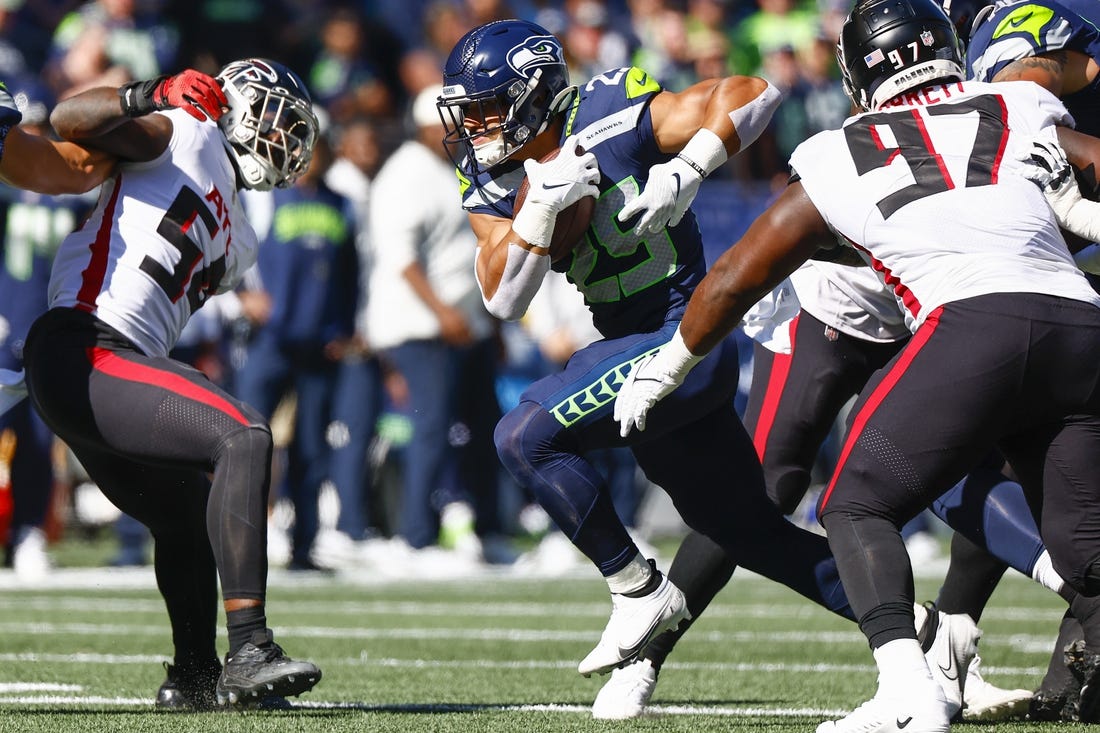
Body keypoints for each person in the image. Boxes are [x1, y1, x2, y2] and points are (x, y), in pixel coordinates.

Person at [613, 1, 1100, 730]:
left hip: (964, 324)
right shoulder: (1014, 104)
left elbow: (738, 274)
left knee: (854, 502)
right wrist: (1085, 217)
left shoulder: (839, 149)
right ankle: (653, 651)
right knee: (1085, 547)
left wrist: (671, 362)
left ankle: (912, 687)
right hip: (1068, 324)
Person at [436, 17, 861, 681]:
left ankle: (636, 587)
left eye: (488, 109)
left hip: (685, 340)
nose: (475, 127)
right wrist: (539, 209)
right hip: (633, 354)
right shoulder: (489, 173)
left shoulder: (608, 111)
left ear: (533, 93)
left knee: (523, 435)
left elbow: (754, 92)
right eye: (468, 113)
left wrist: (688, 168)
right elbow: (502, 297)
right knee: (751, 533)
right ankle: (921, 635)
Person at [23, 59, 323, 709]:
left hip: (108, 367)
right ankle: (251, 648)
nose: (286, 140)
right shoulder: (187, 131)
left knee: (185, 512)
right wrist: (150, 95)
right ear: (238, 104)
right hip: (86, 344)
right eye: (277, 119)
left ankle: (192, 676)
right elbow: (69, 119)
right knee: (244, 435)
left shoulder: (242, 235)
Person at [366, 83, 506, 563]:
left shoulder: (457, 169)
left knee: (486, 426)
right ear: (427, 126)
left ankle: (489, 530)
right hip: (422, 325)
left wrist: (492, 324)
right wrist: (443, 313)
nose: (461, 131)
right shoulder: (405, 174)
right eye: (450, 123)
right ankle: (415, 536)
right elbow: (401, 258)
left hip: (468, 323)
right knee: (432, 426)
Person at [233, 131, 360, 572]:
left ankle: (304, 546)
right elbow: (230, 245)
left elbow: (352, 273)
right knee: (245, 442)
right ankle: (236, 544)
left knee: (310, 449)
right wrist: (242, 295)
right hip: (269, 342)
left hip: (319, 346)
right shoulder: (262, 197)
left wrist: (345, 328)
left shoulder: (343, 205)